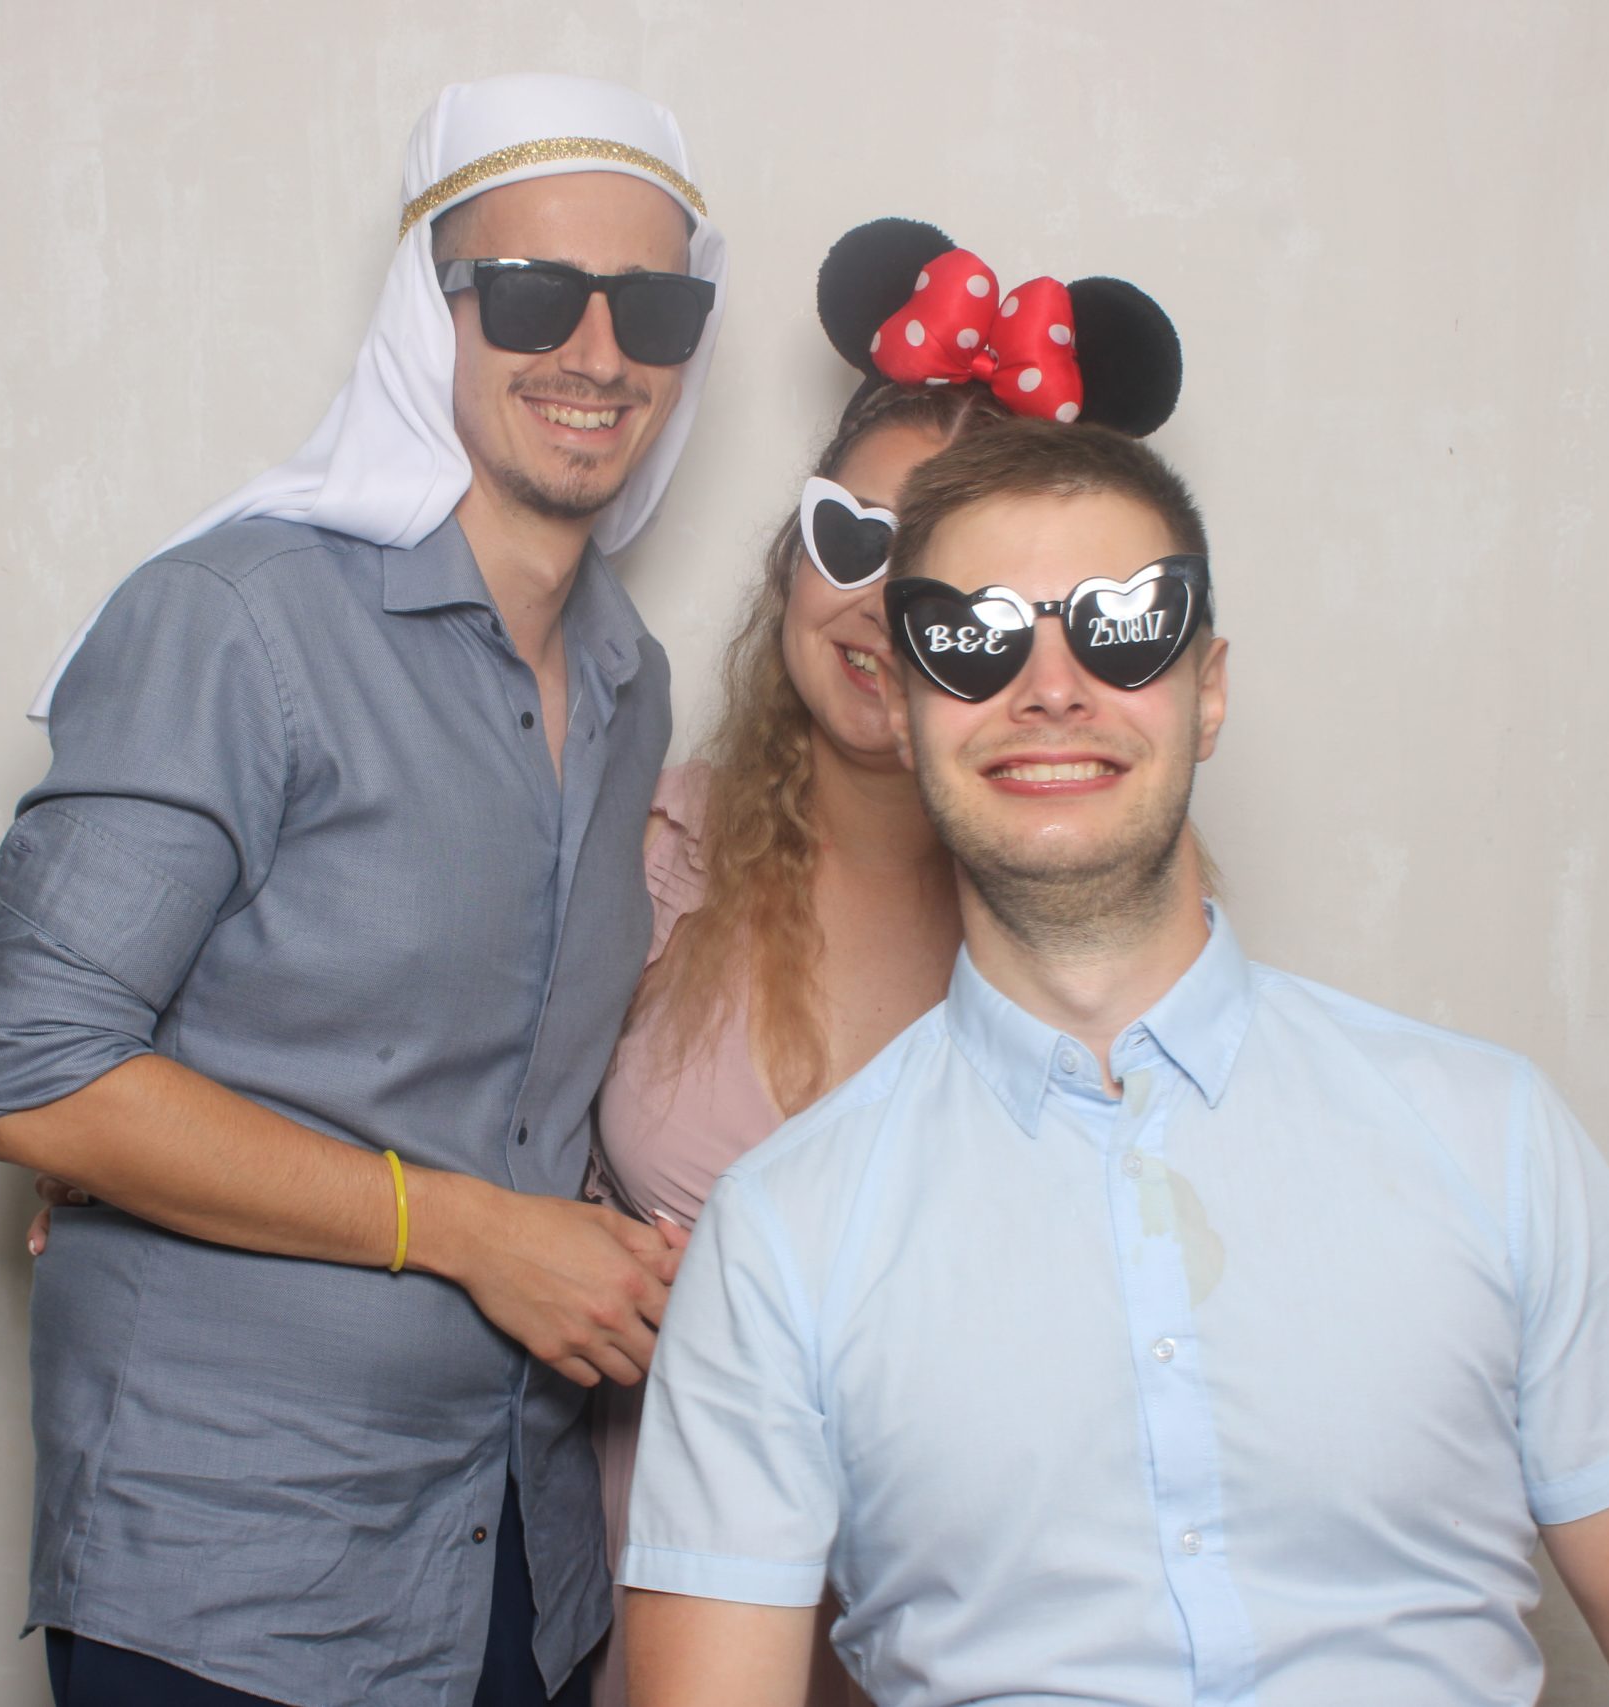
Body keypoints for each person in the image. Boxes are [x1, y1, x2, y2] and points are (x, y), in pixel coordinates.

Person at [618, 420, 1609, 1706]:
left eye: (1121, 628)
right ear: (902, 708)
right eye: (978, 639)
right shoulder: (779, 1236)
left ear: (1209, 689)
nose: (1051, 688)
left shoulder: (1487, 1135)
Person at [0, 73, 725, 1707]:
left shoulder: (631, 676)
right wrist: (469, 1230)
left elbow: (511, 1084)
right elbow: (39, 1075)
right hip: (235, 1566)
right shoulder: (233, 619)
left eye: (651, 306)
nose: (600, 353)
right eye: (535, 293)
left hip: (518, 1558)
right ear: (429, 310)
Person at [583, 221, 1188, 1707]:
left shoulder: (1099, 924)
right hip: (662, 1608)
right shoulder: (649, 844)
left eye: (935, 573)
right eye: (847, 540)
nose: (871, 606)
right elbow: (441, 1089)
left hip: (987, 1639)